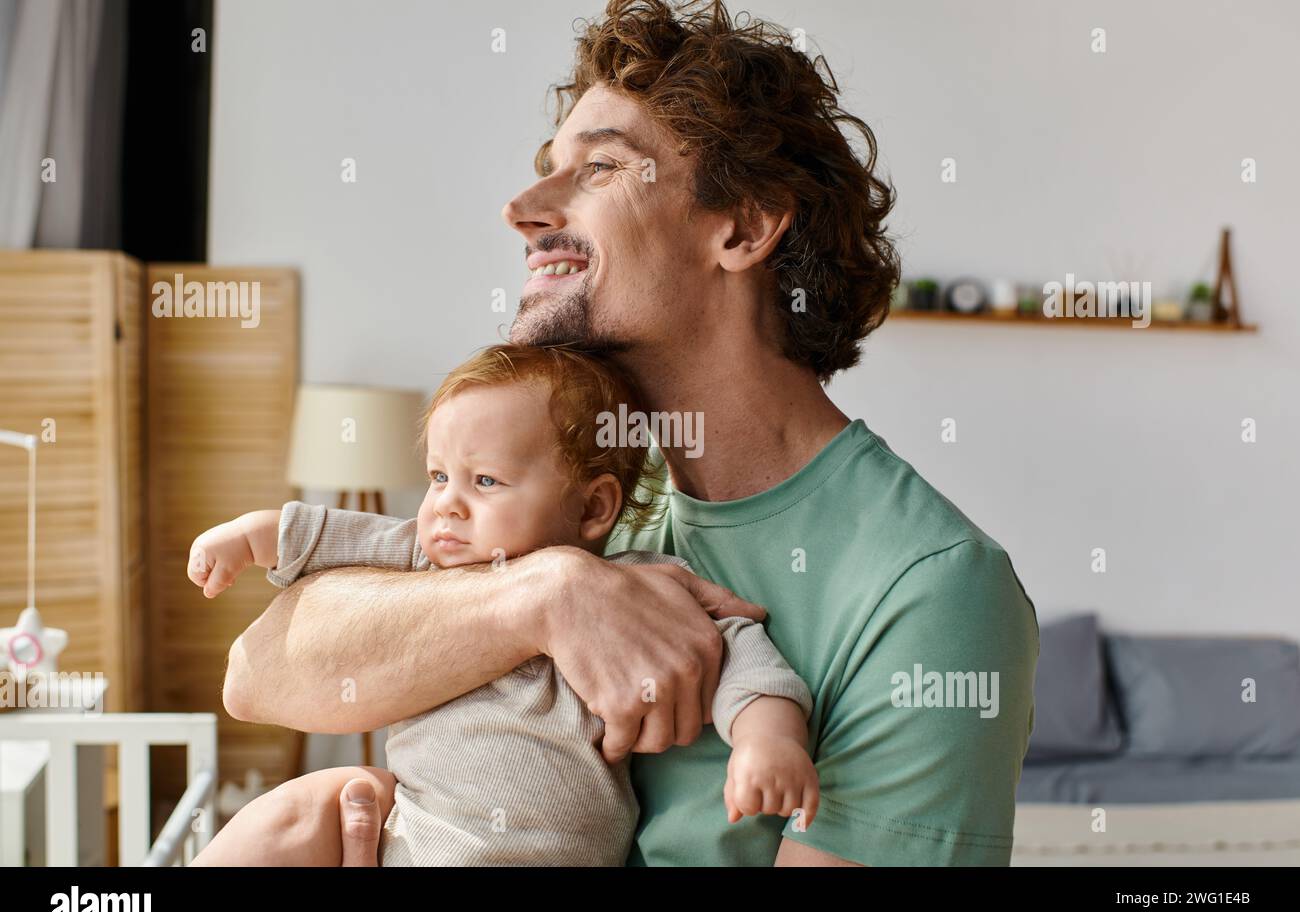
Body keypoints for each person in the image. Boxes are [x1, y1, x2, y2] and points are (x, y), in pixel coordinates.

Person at [207, 0, 1038, 867]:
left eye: (599, 167)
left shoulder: (932, 594)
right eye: (545, 168)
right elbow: (259, 675)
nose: (522, 209)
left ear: (743, 227)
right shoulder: (577, 489)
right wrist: (548, 594)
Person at [188, 345, 817, 865]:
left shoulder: (637, 588)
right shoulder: (425, 559)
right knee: (299, 810)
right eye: (438, 477)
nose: (446, 506)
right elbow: (337, 536)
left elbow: (741, 650)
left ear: (594, 507)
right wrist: (252, 537)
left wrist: (769, 741)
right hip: (414, 842)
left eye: (484, 481)